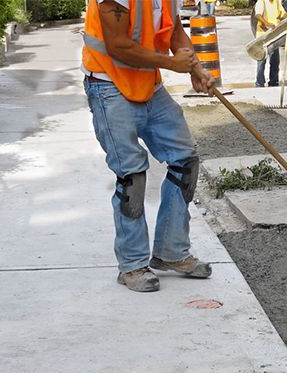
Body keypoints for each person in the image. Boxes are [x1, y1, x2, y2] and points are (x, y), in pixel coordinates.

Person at [81, 0, 217, 292]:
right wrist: (172, 64)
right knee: (131, 174)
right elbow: (118, 46)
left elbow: (174, 29)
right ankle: (132, 265)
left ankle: (171, 252)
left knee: (185, 159)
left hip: (148, 84)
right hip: (109, 86)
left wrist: (194, 67)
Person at [253, 0, 286, 87]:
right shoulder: (261, 2)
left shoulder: (277, 2)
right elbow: (258, 15)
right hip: (262, 37)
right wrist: (267, 24)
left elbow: (282, 15)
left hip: (274, 36)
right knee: (261, 61)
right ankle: (259, 83)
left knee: (275, 61)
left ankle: (274, 82)